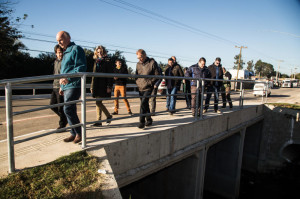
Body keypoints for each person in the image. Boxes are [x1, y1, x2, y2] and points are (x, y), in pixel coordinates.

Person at [56, 31, 87, 144]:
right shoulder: (65, 52)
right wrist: (61, 86)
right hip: (66, 85)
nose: (59, 43)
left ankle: (79, 133)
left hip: (74, 84)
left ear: (68, 38)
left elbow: (81, 67)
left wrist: (68, 78)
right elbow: (63, 71)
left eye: (61, 40)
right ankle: (74, 133)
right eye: (57, 41)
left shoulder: (76, 49)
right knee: (70, 109)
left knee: (67, 108)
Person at [135, 49, 159, 129]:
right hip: (140, 87)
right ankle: (149, 119)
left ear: (144, 55)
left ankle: (141, 121)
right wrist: (137, 82)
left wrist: (150, 82)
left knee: (143, 103)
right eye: (138, 58)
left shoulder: (152, 63)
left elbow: (157, 75)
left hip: (148, 87)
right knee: (145, 104)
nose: (139, 59)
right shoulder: (138, 64)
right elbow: (136, 75)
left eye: (141, 57)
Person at [90, 45, 113, 127]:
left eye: (101, 52)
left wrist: (109, 86)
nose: (99, 53)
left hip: (103, 85)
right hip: (96, 84)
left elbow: (110, 75)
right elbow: (93, 75)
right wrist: (92, 86)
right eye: (98, 52)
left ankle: (108, 116)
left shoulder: (107, 61)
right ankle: (99, 120)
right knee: (98, 102)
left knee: (98, 102)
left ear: (104, 52)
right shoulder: (96, 61)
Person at [50, 44, 67, 130]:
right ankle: (66, 118)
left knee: (61, 107)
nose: (60, 54)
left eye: (61, 52)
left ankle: (62, 124)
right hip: (54, 85)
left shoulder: (64, 61)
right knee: (52, 105)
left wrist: (62, 87)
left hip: (61, 86)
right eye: (59, 52)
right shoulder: (55, 61)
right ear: (56, 53)